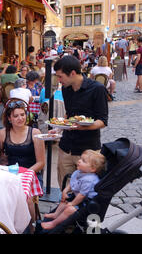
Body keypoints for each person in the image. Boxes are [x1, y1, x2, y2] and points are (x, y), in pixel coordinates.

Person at [51, 56, 108, 188]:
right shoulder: (66, 88)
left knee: (85, 190)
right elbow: (69, 114)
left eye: (60, 77)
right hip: (66, 147)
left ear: (72, 73)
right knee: (65, 186)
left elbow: (103, 121)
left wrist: (82, 127)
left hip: (87, 150)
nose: (59, 81)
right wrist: (59, 128)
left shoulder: (97, 89)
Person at [41, 150, 105, 230]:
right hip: (78, 197)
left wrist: (72, 204)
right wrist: (65, 191)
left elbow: (82, 195)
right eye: (80, 158)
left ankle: (53, 223)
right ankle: (56, 214)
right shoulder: (79, 172)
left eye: (83, 161)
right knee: (64, 200)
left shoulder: (89, 180)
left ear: (92, 169)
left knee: (69, 209)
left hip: (87, 202)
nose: (79, 161)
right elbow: (72, 183)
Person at [0, 99, 45, 186]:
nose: (20, 118)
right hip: (10, 174)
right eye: (15, 116)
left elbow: (41, 162)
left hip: (31, 174)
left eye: (22, 115)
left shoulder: (35, 133)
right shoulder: (3, 133)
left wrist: (24, 174)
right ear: (9, 119)